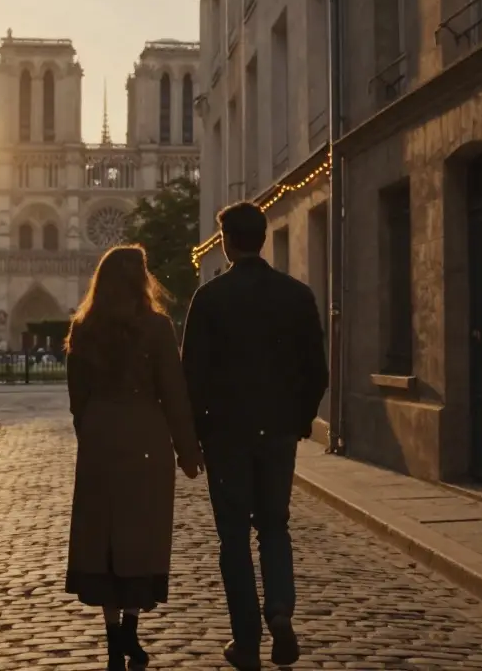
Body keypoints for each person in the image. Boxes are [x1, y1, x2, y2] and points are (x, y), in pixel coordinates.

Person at [181, 201, 329, 670]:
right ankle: (280, 612)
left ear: (226, 242)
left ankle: (246, 642)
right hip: (278, 432)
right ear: (264, 238)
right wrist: (300, 420)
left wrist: (198, 434)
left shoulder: (209, 298)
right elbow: (317, 372)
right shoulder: (297, 295)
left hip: (226, 435)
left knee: (233, 539)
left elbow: (192, 377)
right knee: (274, 526)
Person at [63, 244, 204, 671]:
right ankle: (131, 632)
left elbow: (77, 400)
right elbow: (174, 394)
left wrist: (92, 433)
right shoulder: (158, 328)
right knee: (139, 537)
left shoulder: (84, 327)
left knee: (102, 538)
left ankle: (112, 644)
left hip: (101, 439)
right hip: (146, 438)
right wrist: (188, 451)